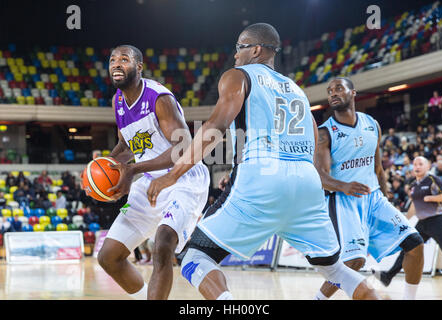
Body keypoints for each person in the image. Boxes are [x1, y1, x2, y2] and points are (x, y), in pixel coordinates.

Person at [147, 23, 379, 300]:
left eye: (238, 48)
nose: (234, 55)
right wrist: (240, 170)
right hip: (306, 184)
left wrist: (171, 175)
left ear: (255, 50)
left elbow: (215, 127)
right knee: (336, 271)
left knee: (194, 257)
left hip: (261, 179)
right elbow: (305, 146)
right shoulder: (297, 90)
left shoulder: (238, 75)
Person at [95, 45, 209, 300]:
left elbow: (184, 149)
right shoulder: (118, 101)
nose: (116, 64)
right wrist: (102, 170)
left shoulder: (158, 98)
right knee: (109, 257)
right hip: (149, 181)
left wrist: (133, 168)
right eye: (112, 59)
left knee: (163, 245)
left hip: (183, 178)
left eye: (124, 59)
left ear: (138, 66)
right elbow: (127, 146)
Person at [314, 77, 424, 300]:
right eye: (329, 91)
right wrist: (343, 186)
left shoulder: (372, 124)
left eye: (338, 89)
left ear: (353, 93)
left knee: (415, 244)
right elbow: (319, 175)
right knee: (354, 261)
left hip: (375, 199)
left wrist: (384, 197)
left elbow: (378, 168)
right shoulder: (325, 133)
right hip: (343, 201)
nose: (332, 93)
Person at [373, 156, 442, 285]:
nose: (417, 167)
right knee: (408, 248)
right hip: (422, 223)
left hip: (437, 221)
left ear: (428, 166)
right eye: (415, 165)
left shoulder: (432, 179)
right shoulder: (414, 185)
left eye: (420, 164)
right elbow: (414, 207)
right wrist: (403, 221)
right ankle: (387, 277)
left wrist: (430, 198)